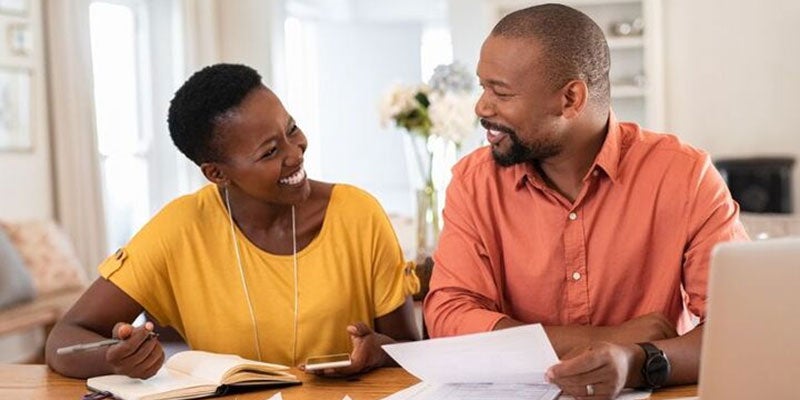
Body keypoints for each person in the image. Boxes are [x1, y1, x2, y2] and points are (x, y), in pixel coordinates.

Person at [423, 4, 748, 399]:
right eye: (482, 87)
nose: (482, 107)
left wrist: (636, 362)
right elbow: (449, 315)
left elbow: (738, 328)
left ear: (571, 99)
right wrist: (607, 339)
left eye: (501, 92)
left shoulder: (684, 175)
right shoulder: (474, 182)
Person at [46, 63, 420, 379]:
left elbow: (409, 350)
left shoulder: (358, 213)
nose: (296, 153)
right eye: (270, 151)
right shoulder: (180, 229)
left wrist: (376, 353)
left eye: (291, 129)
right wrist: (114, 359)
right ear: (216, 173)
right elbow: (63, 340)